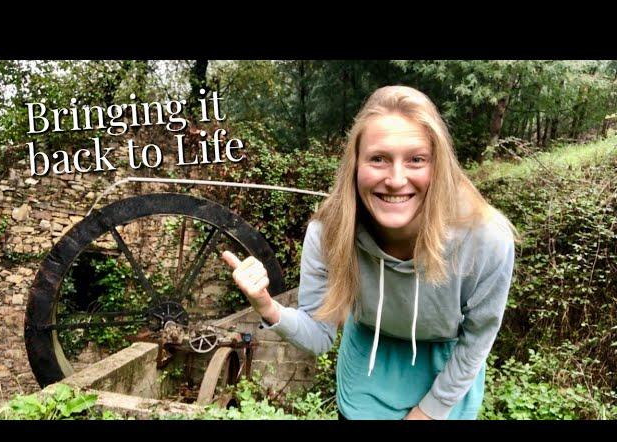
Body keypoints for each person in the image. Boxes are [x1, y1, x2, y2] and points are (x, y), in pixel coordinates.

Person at [221, 85, 516, 420]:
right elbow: (318, 336)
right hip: (365, 380)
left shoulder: (486, 238)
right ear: (355, 165)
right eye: (378, 159)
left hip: (446, 380)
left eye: (416, 159)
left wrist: (430, 412)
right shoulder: (329, 233)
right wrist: (268, 307)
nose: (395, 179)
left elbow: (478, 337)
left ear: (439, 166)